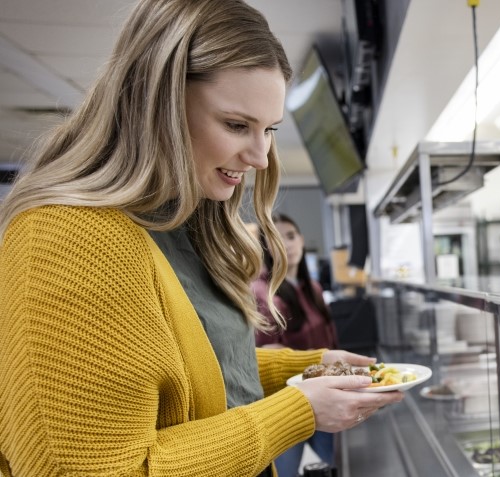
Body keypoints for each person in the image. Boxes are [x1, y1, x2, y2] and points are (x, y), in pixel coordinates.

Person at [0, 1, 401, 476]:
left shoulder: (182, 222)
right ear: (157, 105)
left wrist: (316, 368)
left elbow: (194, 374)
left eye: (269, 130)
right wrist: (298, 409)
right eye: (236, 125)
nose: (259, 157)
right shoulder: (70, 238)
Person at [253, 214, 339, 476]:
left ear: (302, 240)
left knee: (337, 464)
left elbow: (330, 338)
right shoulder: (260, 292)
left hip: (327, 396)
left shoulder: (311, 287)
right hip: (287, 405)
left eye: (291, 236)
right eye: (277, 239)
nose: (287, 244)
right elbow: (263, 354)